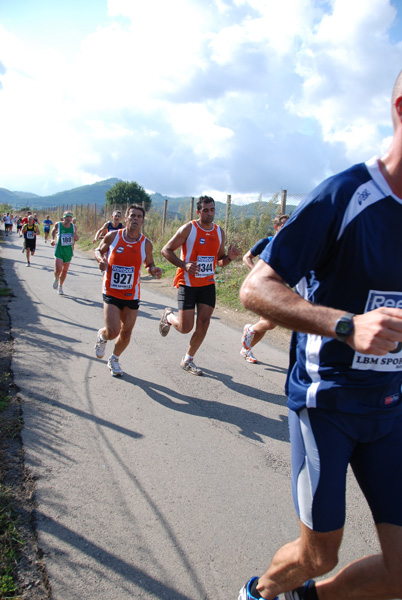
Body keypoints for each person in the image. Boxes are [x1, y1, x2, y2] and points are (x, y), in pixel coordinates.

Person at [237, 70, 402, 600]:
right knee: (318, 553)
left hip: (392, 411)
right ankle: (259, 593)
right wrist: (346, 325)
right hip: (326, 404)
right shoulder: (347, 194)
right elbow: (256, 289)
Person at [159, 195, 239, 375]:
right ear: (198, 211)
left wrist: (229, 258)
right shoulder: (189, 228)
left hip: (207, 284)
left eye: (212, 210)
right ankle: (169, 316)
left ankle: (188, 359)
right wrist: (184, 265)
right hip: (187, 283)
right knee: (186, 328)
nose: (210, 213)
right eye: (206, 210)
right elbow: (166, 250)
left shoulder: (219, 232)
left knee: (203, 323)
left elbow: (219, 262)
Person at [94, 204, 162, 377]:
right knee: (113, 331)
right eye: (132, 215)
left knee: (126, 332)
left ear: (142, 221)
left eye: (139, 216)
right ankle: (102, 336)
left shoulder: (146, 243)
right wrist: (101, 259)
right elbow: (98, 250)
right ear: (126, 218)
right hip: (111, 290)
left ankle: (114, 359)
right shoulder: (113, 236)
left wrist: (153, 270)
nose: (135, 219)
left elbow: (149, 264)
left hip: (132, 294)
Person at [240, 214, 289, 363]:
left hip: (279, 288)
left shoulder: (290, 245)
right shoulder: (266, 242)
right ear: (276, 227)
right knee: (270, 322)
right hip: (263, 286)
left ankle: (246, 349)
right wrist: (256, 273)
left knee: (266, 324)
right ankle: (249, 330)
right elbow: (246, 257)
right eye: (284, 226)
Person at [50, 212, 79, 295]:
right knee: (58, 270)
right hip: (59, 250)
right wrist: (52, 239)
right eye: (67, 217)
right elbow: (53, 231)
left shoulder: (74, 227)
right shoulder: (58, 225)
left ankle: (60, 286)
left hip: (68, 251)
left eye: (70, 217)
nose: (69, 218)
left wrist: (76, 237)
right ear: (63, 217)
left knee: (64, 271)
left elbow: (76, 237)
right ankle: (56, 279)